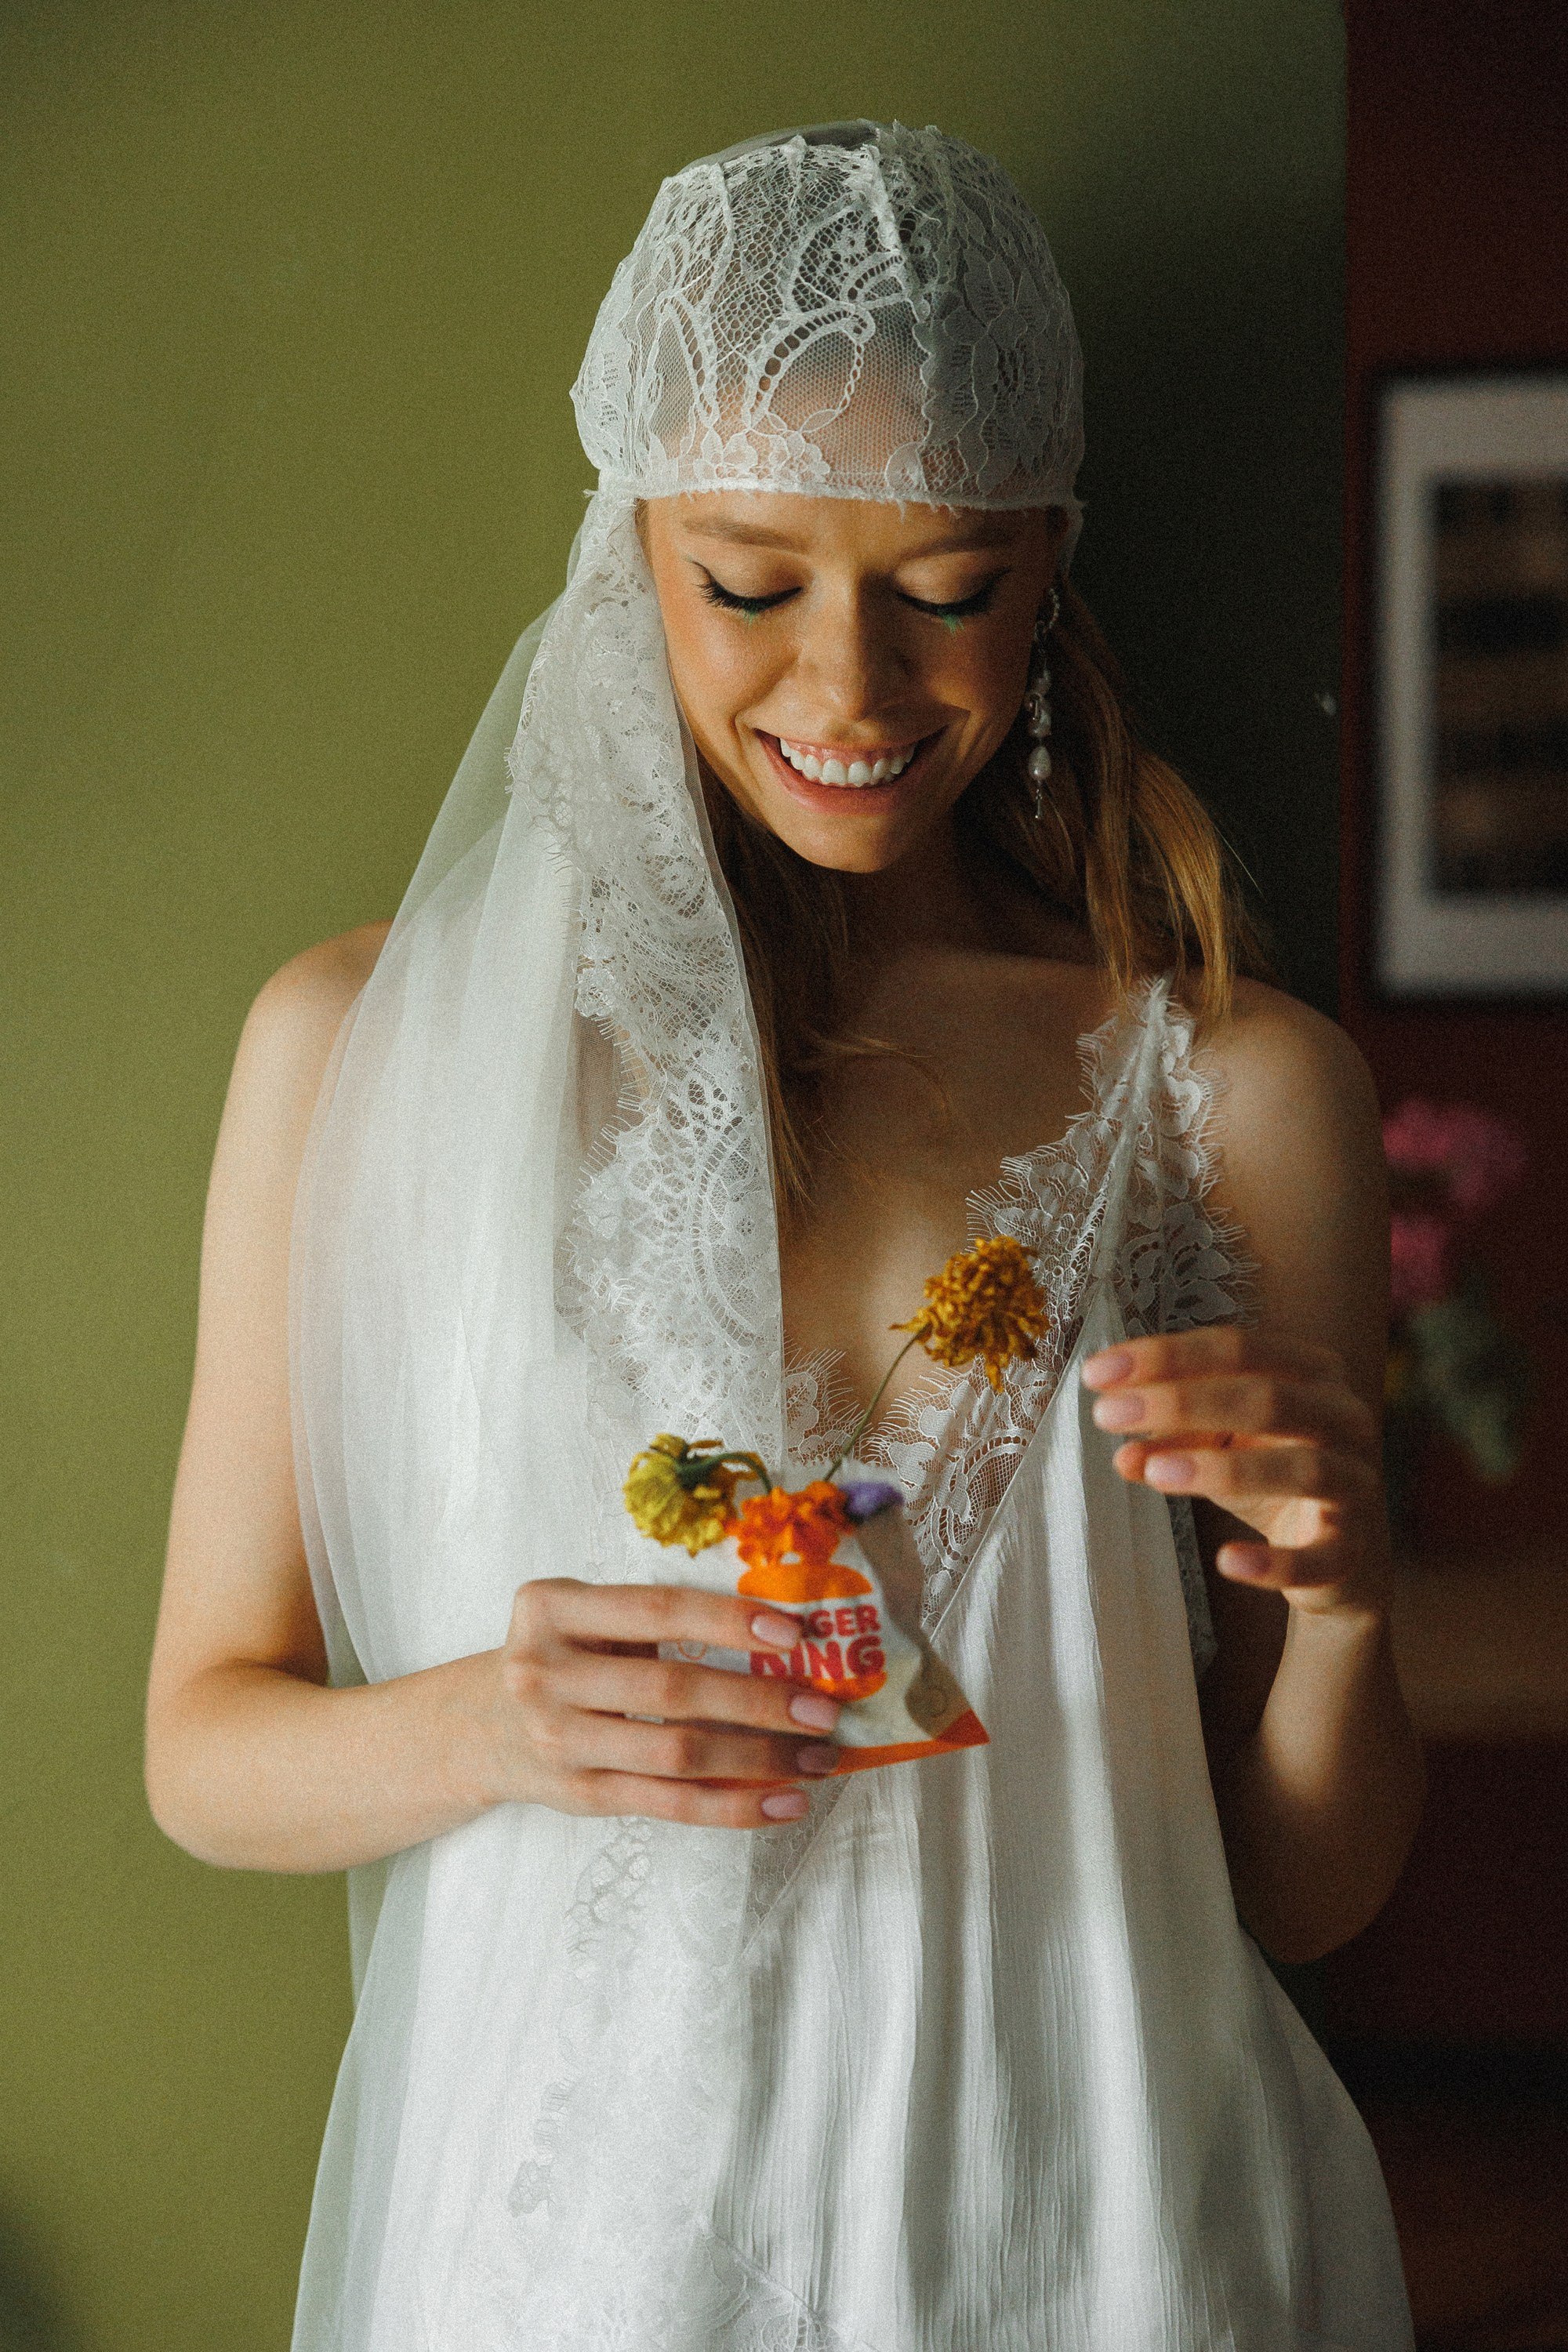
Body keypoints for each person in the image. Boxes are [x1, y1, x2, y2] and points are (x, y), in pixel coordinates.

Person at [146, 122, 1423, 2348]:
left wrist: (1340, 1605)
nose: (850, 690)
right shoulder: (359, 1049)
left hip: (1096, 2227)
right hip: (579, 2262)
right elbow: (201, 1751)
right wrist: (499, 1725)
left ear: (1049, 570)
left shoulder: (1231, 1093)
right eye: (750, 584)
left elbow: (1304, 1895)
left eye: (946, 589)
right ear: (627, 547)